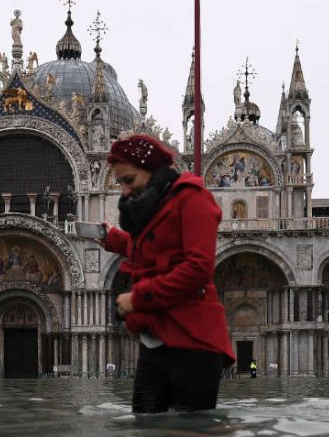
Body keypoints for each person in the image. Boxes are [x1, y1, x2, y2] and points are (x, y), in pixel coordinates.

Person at [99, 134, 235, 413]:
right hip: (156, 337)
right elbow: (156, 249)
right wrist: (113, 239)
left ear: (152, 170)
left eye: (130, 181)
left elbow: (198, 267)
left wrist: (137, 299)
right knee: (146, 429)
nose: (124, 191)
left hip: (193, 340)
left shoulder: (193, 198)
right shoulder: (153, 204)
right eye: (120, 183)